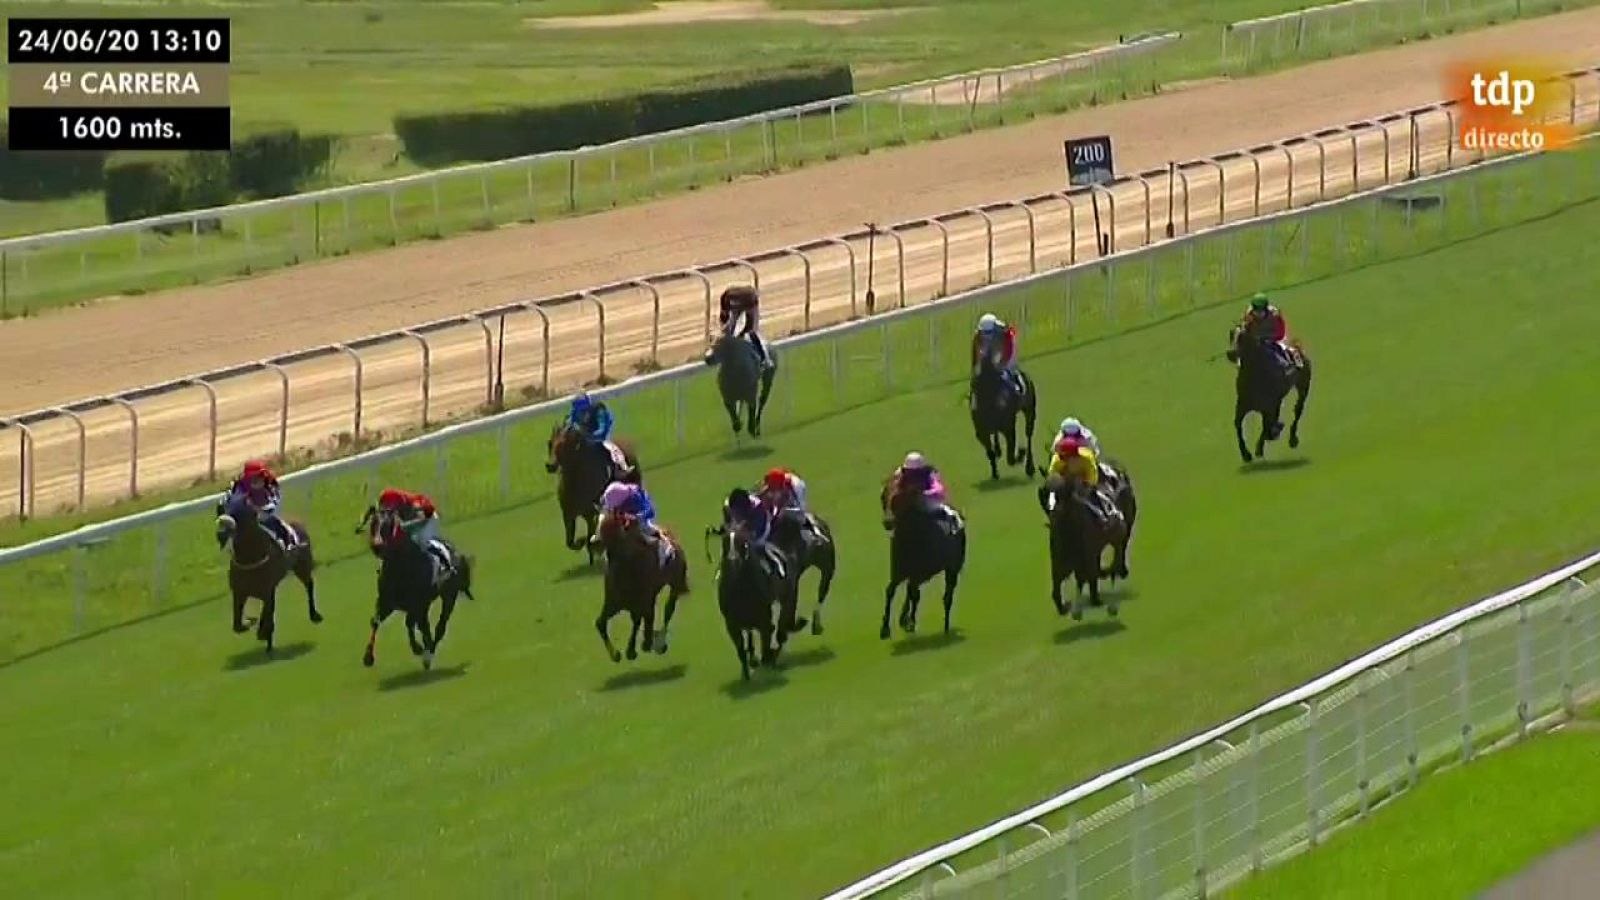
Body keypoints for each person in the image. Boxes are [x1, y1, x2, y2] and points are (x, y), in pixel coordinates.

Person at [375, 487, 454, 584]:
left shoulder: (416, 504)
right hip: (411, 521)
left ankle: (445, 566)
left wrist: (405, 527)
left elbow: (421, 521)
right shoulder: (393, 504)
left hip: (428, 518)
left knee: (424, 541)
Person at [1045, 437, 1120, 524]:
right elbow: (1052, 477)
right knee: (1054, 498)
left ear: (1075, 455)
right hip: (1065, 483)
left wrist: (1085, 486)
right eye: (1062, 457)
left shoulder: (1087, 458)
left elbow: (1093, 478)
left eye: (1067, 457)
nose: (1064, 460)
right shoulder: (1057, 460)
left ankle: (1105, 513)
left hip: (1084, 481)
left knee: (1090, 497)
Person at [224, 459, 295, 549]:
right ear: (247, 478)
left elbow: (274, 504)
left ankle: (288, 545)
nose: (257, 479)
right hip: (243, 521)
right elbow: (230, 507)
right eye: (253, 477)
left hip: (265, 516)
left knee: (275, 523)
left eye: (260, 476)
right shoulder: (237, 490)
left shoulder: (270, 486)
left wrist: (259, 511)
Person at [599, 480, 672, 565]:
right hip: (625, 518)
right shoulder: (613, 495)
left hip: (641, 517)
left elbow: (650, 511)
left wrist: (638, 517)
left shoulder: (637, 499)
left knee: (646, 530)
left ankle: (664, 547)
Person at [724, 487, 787, 580]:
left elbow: (753, 533)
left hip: (760, 530)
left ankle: (776, 564)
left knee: (756, 546)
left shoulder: (757, 508)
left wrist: (742, 532)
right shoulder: (728, 505)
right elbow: (729, 524)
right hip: (743, 527)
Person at [888, 452, 959, 529]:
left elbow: (939, 489)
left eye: (916, 472)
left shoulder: (930, 474)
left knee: (945, 511)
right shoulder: (900, 474)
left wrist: (925, 494)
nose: (913, 475)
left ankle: (954, 526)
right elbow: (894, 488)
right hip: (907, 501)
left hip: (927, 501)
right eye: (910, 472)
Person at [565, 392, 629, 474]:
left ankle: (622, 467)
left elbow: (602, 429)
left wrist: (590, 436)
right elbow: (570, 423)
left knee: (606, 445)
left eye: (584, 410)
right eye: (579, 411)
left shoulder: (598, 409)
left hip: (605, 426)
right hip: (587, 430)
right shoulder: (575, 411)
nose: (582, 413)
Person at [719, 285, 773, 370]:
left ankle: (765, 359)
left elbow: (733, 321)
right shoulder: (727, 300)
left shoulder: (744, 300)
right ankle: (765, 359)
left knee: (752, 331)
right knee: (734, 330)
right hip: (741, 299)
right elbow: (729, 322)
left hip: (749, 300)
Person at [1236, 293, 1293, 368]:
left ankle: (1289, 363)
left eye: (1260, 311)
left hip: (1275, 339)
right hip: (1256, 343)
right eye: (1256, 311)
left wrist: (1268, 339)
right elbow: (1244, 332)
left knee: (1282, 349)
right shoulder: (1248, 315)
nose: (1258, 314)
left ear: (1265, 308)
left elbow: (1281, 333)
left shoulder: (1275, 315)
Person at [971, 313, 1022, 394]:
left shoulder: (1005, 333)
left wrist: (1001, 365)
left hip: (1007, 346)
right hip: (994, 348)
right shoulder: (978, 336)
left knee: (1008, 369)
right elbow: (976, 353)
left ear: (995, 329)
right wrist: (976, 368)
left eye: (989, 332)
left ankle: (1017, 387)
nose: (987, 336)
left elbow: (1008, 352)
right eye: (985, 333)